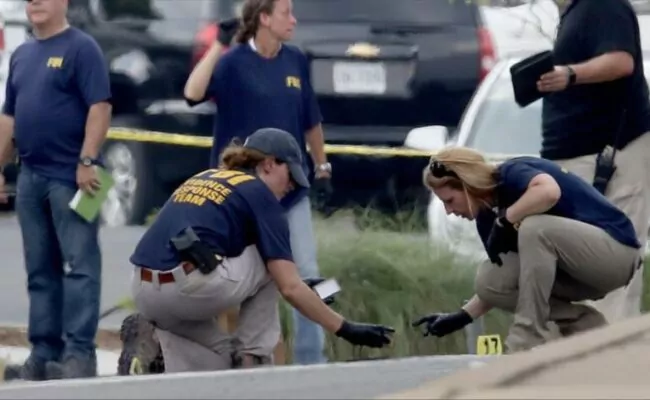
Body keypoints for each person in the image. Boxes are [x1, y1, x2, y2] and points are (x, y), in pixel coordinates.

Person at [128, 127, 394, 372]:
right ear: (268, 164)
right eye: (291, 175)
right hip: (190, 288)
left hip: (145, 292)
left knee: (220, 361)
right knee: (272, 264)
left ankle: (153, 355)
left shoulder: (206, 177)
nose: (291, 187)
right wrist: (346, 329)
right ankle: (253, 359)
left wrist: (294, 282)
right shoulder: (261, 195)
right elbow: (289, 287)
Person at [183, 0, 333, 365]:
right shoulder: (233, 62)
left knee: (307, 276)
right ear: (264, 18)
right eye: (286, 13)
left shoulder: (295, 59)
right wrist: (219, 45)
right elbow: (192, 93)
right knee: (229, 277)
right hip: (240, 196)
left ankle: (313, 364)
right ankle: (225, 359)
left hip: (290, 192)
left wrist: (321, 163)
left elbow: (310, 118)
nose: (294, 20)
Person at [412, 147, 641, 353]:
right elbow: (506, 278)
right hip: (573, 274)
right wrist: (463, 316)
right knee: (490, 280)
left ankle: (527, 337)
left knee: (535, 228)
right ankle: (585, 325)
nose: (449, 211)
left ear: (467, 184)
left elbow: (548, 192)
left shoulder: (511, 173)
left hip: (615, 256)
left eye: (450, 200)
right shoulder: (485, 217)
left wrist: (507, 219)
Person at [0, 0, 112, 381]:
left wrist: (87, 160)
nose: (34, 2)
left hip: (73, 178)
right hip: (30, 177)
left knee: (80, 267)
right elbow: (9, 116)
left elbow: (100, 107)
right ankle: (43, 353)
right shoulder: (22, 55)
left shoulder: (82, 48)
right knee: (39, 271)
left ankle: (80, 355)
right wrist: (0, 168)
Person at [537, 0, 650, 323]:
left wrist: (569, 75)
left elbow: (621, 60)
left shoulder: (602, 5)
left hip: (611, 156)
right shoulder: (574, 13)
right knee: (579, 266)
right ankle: (585, 349)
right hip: (579, 158)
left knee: (612, 261)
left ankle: (605, 355)